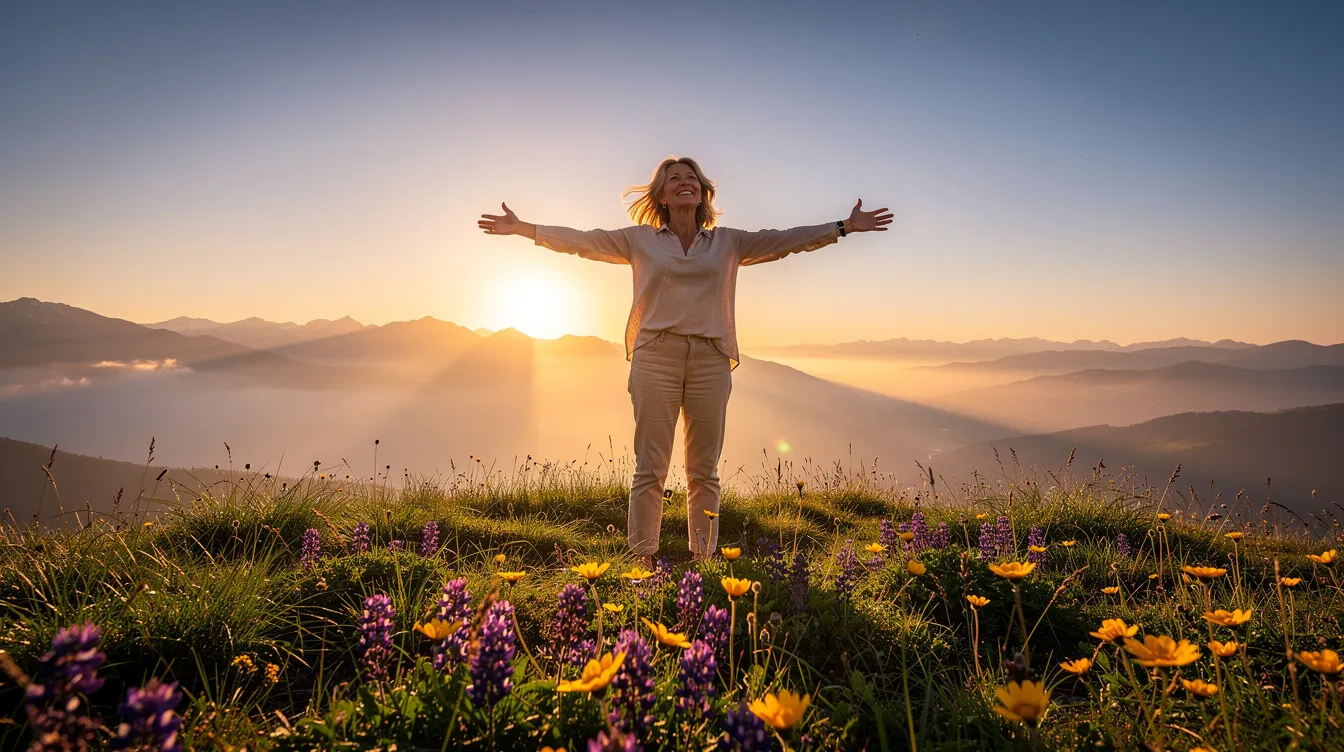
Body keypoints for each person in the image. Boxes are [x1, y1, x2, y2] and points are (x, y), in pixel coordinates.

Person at [478, 156, 892, 561]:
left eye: (691, 177)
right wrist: (523, 229)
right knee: (650, 467)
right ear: (661, 194)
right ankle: (642, 560)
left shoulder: (729, 243)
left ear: (703, 191)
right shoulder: (639, 240)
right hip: (655, 355)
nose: (684, 181)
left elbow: (784, 240)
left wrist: (843, 227)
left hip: (711, 359)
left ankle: (705, 560)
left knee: (704, 469)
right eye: (673, 177)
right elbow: (584, 241)